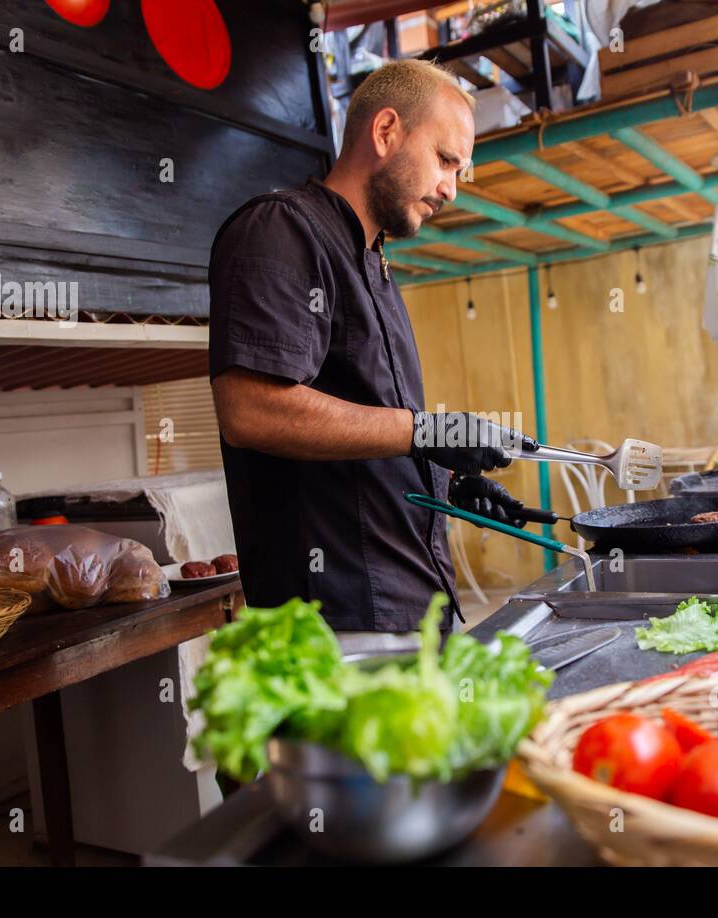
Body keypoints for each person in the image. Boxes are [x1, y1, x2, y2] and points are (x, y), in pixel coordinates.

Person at [208, 59, 531, 647]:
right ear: (385, 132)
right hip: (338, 621)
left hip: (414, 607)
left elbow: (365, 432)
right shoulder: (281, 228)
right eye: (445, 160)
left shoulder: (375, 263)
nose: (451, 189)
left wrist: (445, 481)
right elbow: (251, 409)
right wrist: (428, 432)